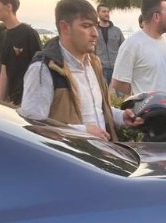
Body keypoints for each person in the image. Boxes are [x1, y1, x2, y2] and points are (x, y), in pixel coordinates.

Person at [20, 0, 142, 141]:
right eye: (86, 26)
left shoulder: (94, 63)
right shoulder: (43, 69)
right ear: (65, 27)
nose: (95, 33)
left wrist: (121, 117)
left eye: (95, 26)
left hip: (100, 156)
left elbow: (96, 111)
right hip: (69, 160)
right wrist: (83, 131)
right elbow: (33, 126)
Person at [111, 0, 166, 100]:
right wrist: (140, 96)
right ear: (156, 16)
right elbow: (118, 82)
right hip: (147, 114)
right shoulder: (132, 45)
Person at [0, 0, 41, 105]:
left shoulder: (29, 33)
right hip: (13, 102)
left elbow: (41, 69)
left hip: (29, 101)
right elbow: (4, 70)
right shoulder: (4, 35)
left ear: (9, 7)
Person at [95, 4, 124, 85]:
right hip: (101, 69)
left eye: (108, 11)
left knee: (121, 96)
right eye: (103, 11)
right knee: (102, 95)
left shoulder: (117, 31)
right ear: (98, 13)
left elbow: (124, 48)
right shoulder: (94, 31)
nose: (106, 14)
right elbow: (90, 51)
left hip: (117, 69)